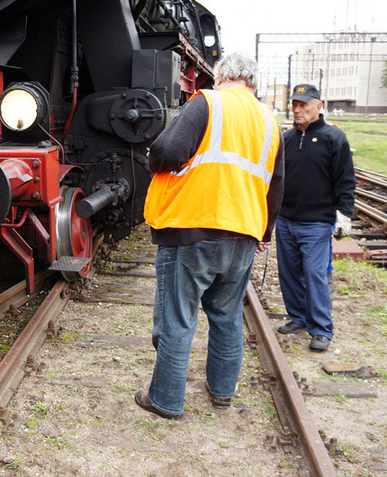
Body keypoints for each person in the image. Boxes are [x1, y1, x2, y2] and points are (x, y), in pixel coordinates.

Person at [135, 51, 284, 419]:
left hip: (194, 228)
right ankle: (221, 392)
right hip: (244, 234)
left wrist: (155, 162)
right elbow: (276, 186)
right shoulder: (269, 121)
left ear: (221, 77)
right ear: (251, 82)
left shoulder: (209, 103)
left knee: (177, 317)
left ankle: (166, 399)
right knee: (228, 316)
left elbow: (168, 150)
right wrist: (263, 232)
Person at [276, 84, 355, 351]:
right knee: (288, 273)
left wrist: (344, 214)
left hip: (316, 222)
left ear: (318, 106)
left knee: (314, 274)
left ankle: (321, 329)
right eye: (294, 104)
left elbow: (345, 179)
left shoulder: (334, 138)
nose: (297, 109)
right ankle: (298, 317)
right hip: (285, 219)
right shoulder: (286, 138)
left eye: (304, 104)